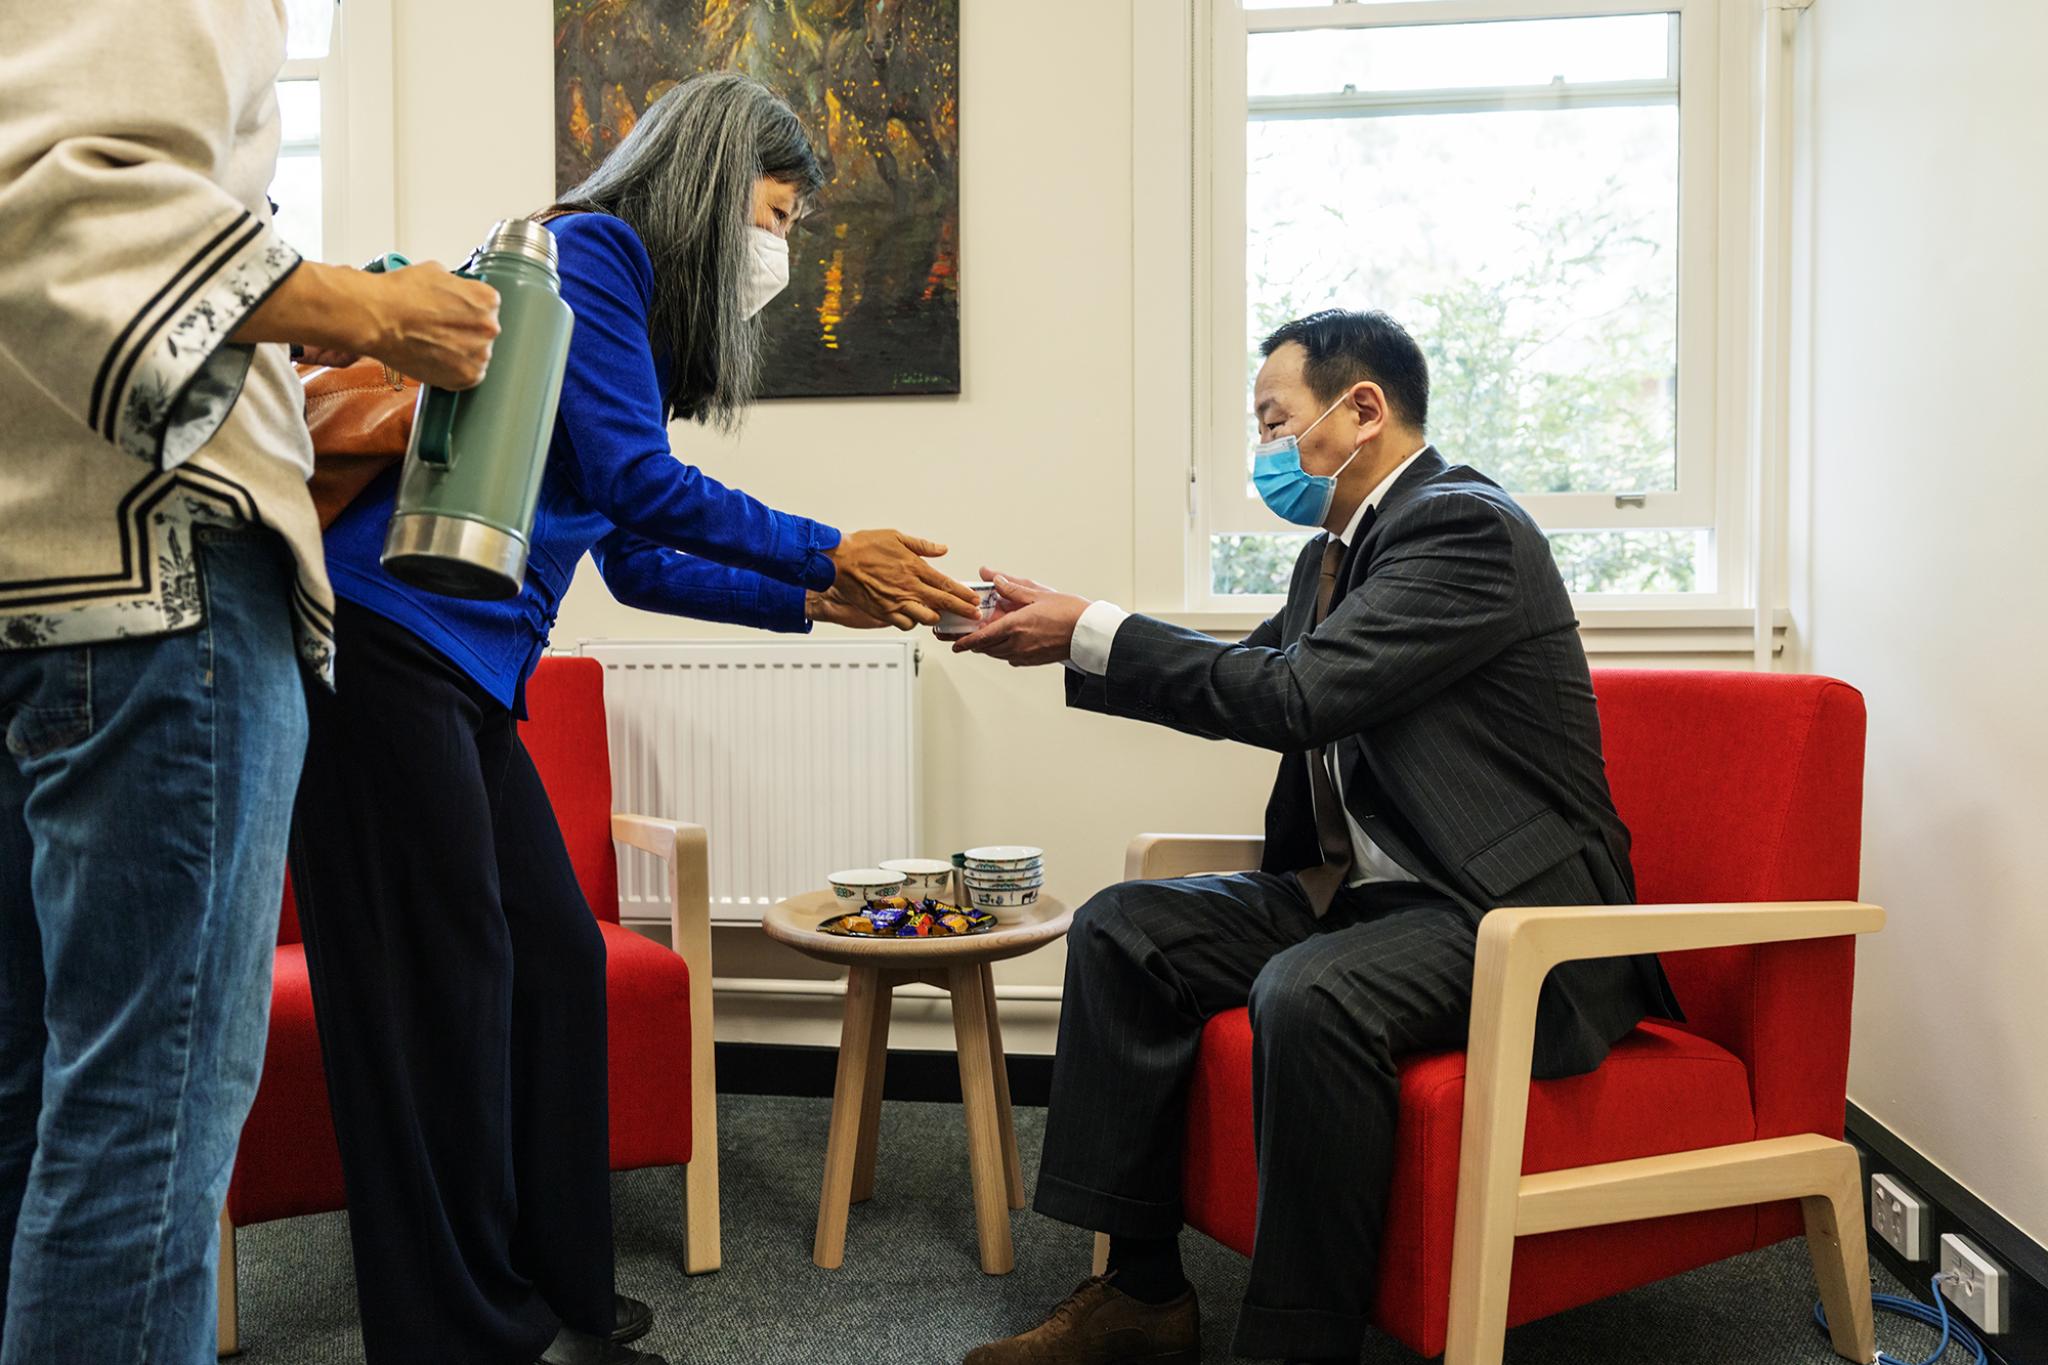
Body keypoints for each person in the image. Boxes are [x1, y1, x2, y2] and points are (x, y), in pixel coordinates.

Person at [286, 72, 977, 1365]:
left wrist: (822, 601)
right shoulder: (591, 252)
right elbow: (639, 484)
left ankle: (555, 1288)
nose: (779, 247)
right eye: (775, 214)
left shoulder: (628, 331)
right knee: (437, 1001)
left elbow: (639, 555)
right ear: (716, 195)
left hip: (462, 675)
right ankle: (468, 1337)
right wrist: (833, 546)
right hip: (383, 651)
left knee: (550, 961)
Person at [952, 310, 1686, 1365]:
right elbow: (1244, 688)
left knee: (1309, 992)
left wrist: (1093, 626)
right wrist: (1062, 644)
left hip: (1502, 912)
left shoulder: (1463, 529)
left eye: (1272, 420)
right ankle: (1141, 1296)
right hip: (1367, 899)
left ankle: (1298, 1344)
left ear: (1362, 409)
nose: (1263, 452)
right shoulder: (1329, 561)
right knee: (1123, 930)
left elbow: (1298, 697)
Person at [0, 4, 499, 1362]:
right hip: (149, 585)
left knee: (34, 1109)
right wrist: (371, 307)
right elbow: (68, 185)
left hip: (30, 576)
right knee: (139, 1134)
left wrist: (275, 322)